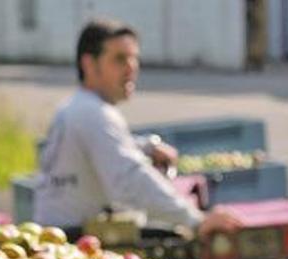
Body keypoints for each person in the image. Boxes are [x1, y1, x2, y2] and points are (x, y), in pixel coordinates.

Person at [33, 19, 241, 238]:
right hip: (77, 242)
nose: (131, 67)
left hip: (62, 236)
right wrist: (197, 220)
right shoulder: (94, 114)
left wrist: (146, 148)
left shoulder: (76, 108)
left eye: (134, 58)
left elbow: (108, 148)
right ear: (89, 64)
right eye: (120, 59)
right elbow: (131, 182)